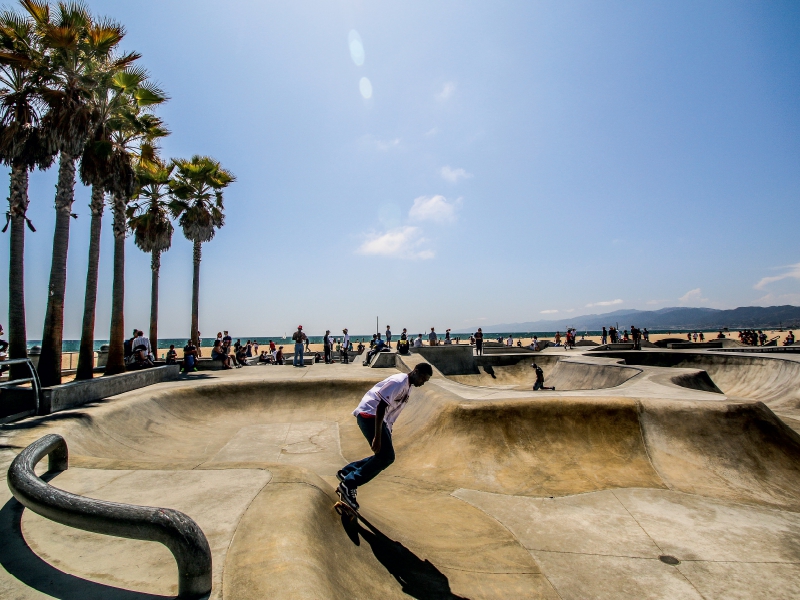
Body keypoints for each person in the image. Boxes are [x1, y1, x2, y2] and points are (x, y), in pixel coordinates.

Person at [337, 363, 434, 510]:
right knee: (386, 457)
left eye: (425, 381)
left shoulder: (407, 387)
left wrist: (387, 431)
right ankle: (349, 483)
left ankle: (347, 472)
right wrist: (377, 435)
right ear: (415, 371)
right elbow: (381, 406)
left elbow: (391, 412)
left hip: (379, 419)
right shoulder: (399, 381)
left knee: (385, 455)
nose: (422, 382)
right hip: (369, 414)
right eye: (422, 378)